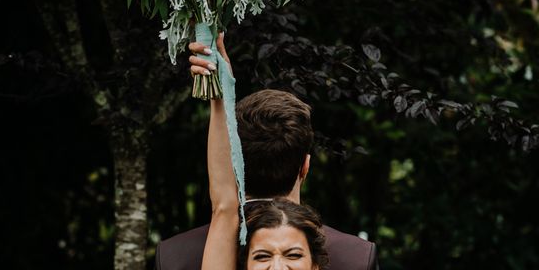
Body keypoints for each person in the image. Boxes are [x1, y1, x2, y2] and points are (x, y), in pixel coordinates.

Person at [155, 35, 378, 270]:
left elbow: (223, 206)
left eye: (292, 256)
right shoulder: (357, 257)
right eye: (262, 257)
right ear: (305, 166)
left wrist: (219, 91)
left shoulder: (174, 256)